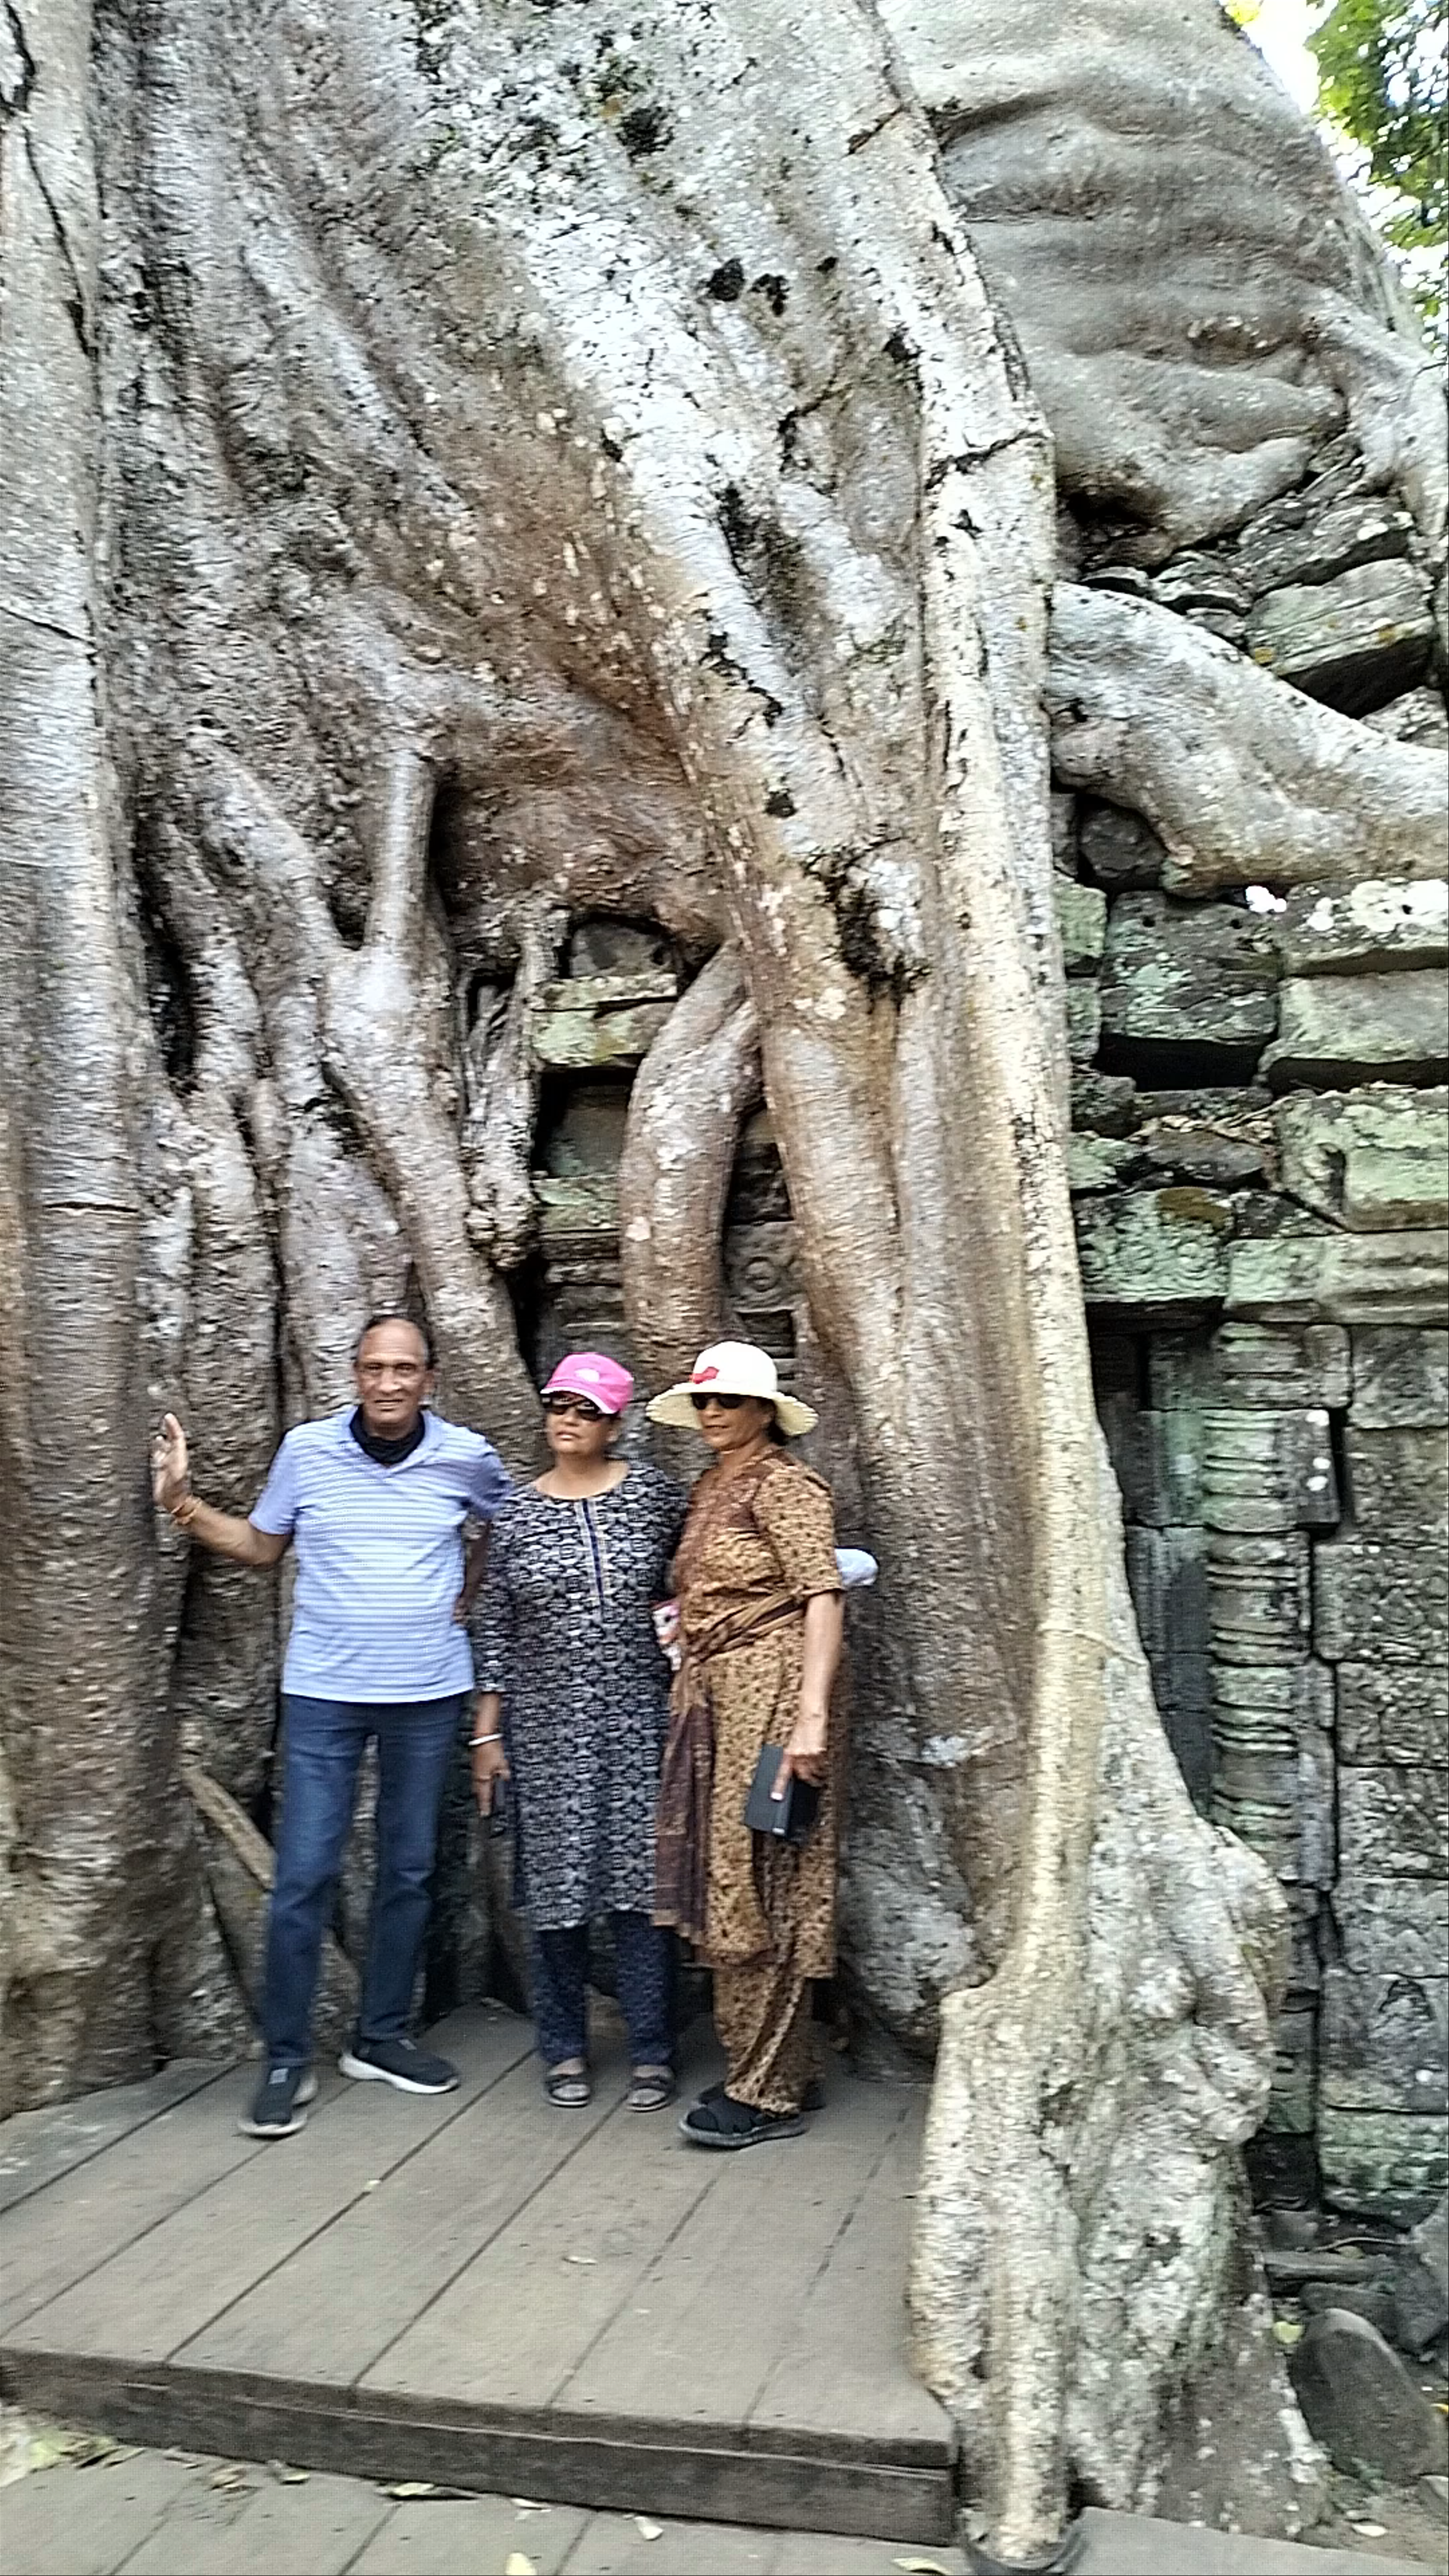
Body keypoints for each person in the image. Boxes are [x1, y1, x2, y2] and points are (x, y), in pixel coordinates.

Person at [150, 1313, 509, 2140]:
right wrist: (182, 1503)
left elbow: (503, 1524)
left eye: (406, 1368)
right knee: (305, 1872)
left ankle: (380, 2036)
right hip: (325, 1692)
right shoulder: (308, 1451)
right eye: (375, 1367)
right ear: (354, 1372)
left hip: (428, 1691)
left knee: (411, 1868)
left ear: (430, 1376)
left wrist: (472, 1583)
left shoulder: (466, 1455)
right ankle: (285, 2056)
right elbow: (261, 1545)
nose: (389, 1382)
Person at [471, 1354, 686, 2112]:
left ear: (615, 1422)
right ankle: (563, 2046)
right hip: (545, 1726)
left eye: (586, 1410)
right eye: (558, 1405)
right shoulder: (517, 1513)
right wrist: (488, 1734)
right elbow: (495, 1624)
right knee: (557, 1893)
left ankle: (653, 2046)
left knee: (639, 1887)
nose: (568, 1419)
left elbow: (687, 1588)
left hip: (642, 1719)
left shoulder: (656, 1497)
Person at [646, 1340, 846, 2150]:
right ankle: (762, 2062)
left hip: (772, 1693)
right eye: (704, 1400)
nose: (714, 1411)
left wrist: (810, 1718)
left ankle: (767, 2089)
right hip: (716, 1692)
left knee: (762, 1870)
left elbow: (823, 1595)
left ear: (766, 1409)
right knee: (731, 1867)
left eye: (729, 1398)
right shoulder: (711, 1484)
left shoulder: (786, 1484)